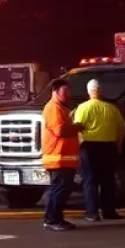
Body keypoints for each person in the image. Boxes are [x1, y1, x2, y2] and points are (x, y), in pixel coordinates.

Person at [72, 78, 125, 221]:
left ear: (89, 92)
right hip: (109, 147)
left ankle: (92, 213)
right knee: (108, 181)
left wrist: (79, 147)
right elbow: (121, 129)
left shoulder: (83, 108)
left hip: (89, 147)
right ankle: (109, 211)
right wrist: (118, 146)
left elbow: (77, 127)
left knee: (90, 180)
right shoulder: (111, 108)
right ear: (100, 91)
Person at [41, 77, 83, 231]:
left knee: (60, 190)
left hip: (64, 158)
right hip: (58, 158)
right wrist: (78, 126)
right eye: (65, 91)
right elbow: (60, 130)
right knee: (58, 190)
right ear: (55, 92)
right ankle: (52, 219)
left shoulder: (62, 108)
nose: (68, 94)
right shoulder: (53, 108)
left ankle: (55, 218)